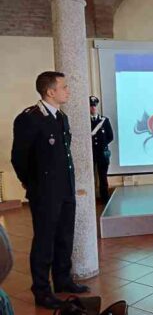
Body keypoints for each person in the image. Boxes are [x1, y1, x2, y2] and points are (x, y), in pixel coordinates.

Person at [11, 71, 90, 309]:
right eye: (64, 87)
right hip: (44, 192)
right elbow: (19, 159)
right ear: (50, 91)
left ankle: (63, 279)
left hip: (65, 187)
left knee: (64, 236)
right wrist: (33, 184)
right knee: (44, 240)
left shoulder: (60, 117)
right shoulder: (29, 119)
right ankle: (42, 290)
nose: (68, 90)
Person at [90, 95, 114, 205]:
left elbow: (110, 136)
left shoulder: (104, 121)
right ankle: (91, 199)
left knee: (103, 177)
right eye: (91, 106)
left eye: (94, 106)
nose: (93, 108)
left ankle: (105, 199)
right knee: (90, 177)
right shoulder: (85, 122)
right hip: (90, 153)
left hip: (102, 154)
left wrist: (102, 145)